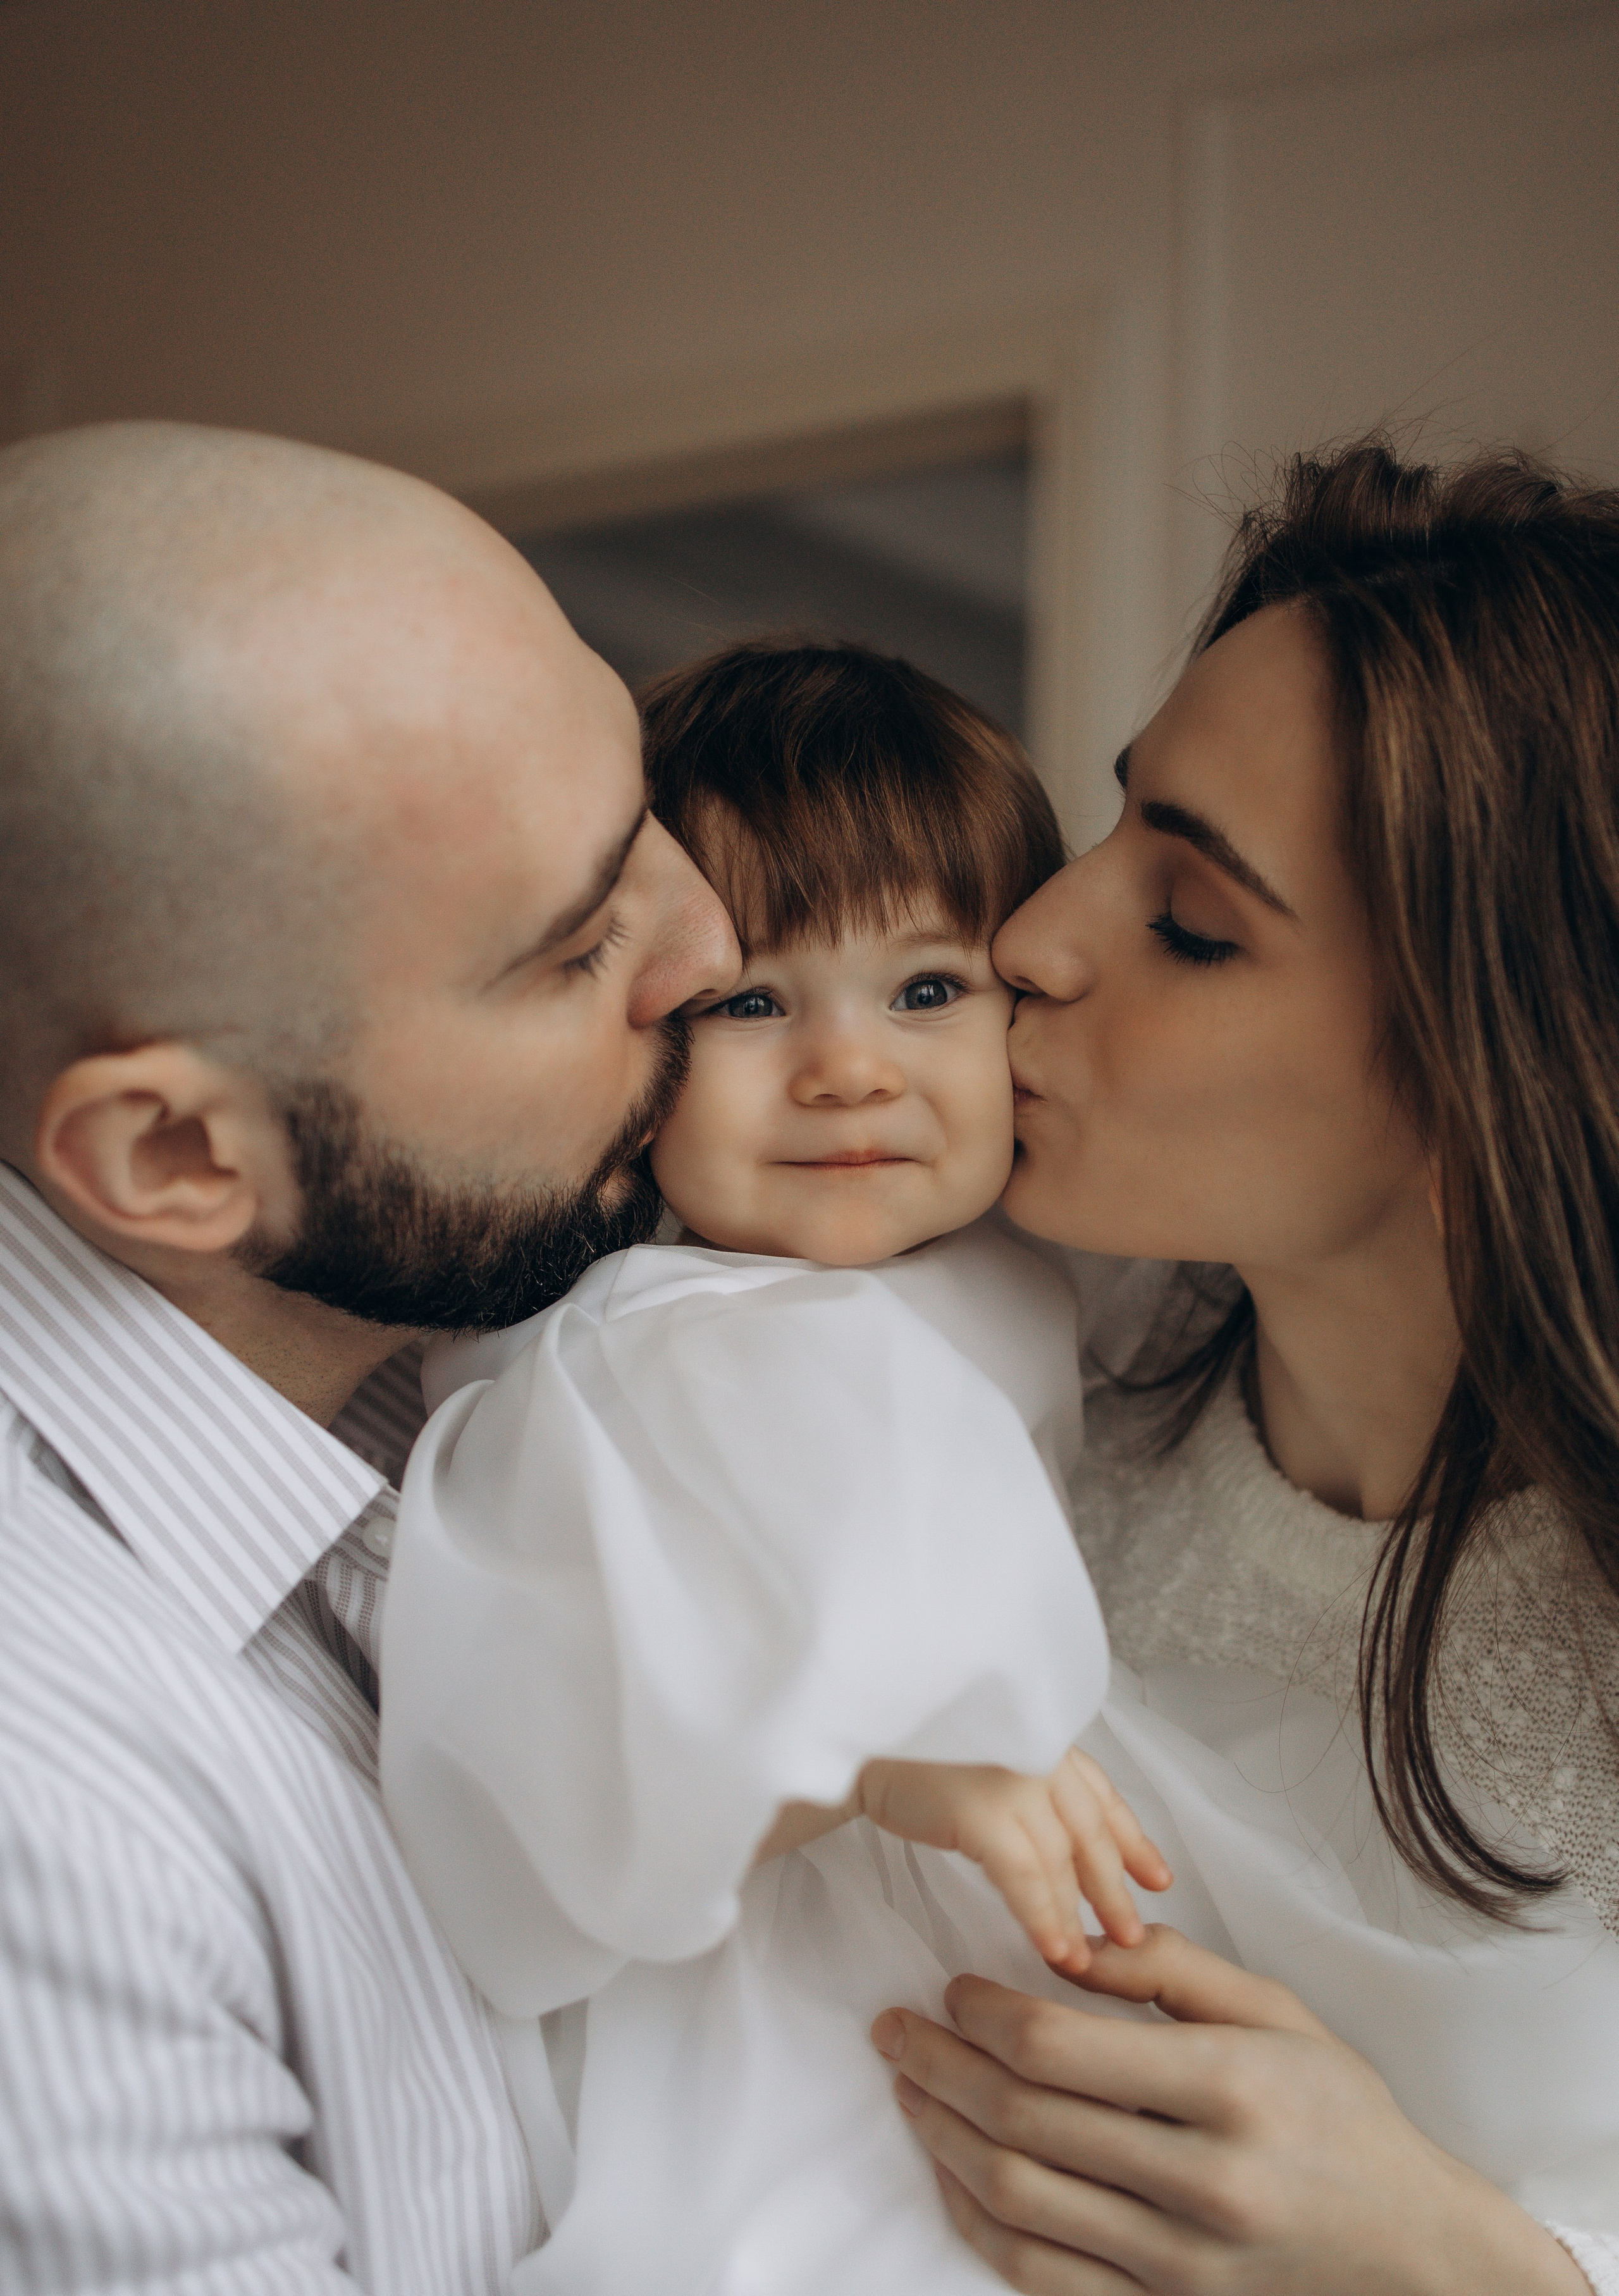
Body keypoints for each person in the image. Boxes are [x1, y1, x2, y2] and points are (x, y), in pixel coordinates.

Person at [0, 419, 740, 2293]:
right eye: (575, 951)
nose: (713, 946)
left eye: (644, 811)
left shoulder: (495, 1348)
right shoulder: (48, 1823)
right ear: (179, 1159)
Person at [873, 440, 1619, 2293]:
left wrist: (1464, 2271)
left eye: (1191, 924)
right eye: (1117, 827)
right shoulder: (1005, 1357)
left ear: (1500, 1060)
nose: (1033, 934)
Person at [379, 641, 1174, 2296]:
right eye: (753, 1002)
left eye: (928, 991)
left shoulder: (1050, 1259)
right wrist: (879, 1767)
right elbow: (538, 1741)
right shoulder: (638, 1351)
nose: (850, 1069)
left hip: (1030, 1963)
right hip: (776, 1999)